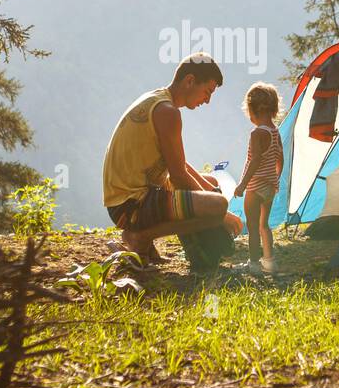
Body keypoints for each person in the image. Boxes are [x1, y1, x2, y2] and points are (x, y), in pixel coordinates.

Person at [102, 52, 239, 265]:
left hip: (127, 198)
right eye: (207, 91)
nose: (208, 100)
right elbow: (179, 177)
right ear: (190, 81)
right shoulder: (167, 112)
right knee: (217, 206)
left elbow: (179, 163)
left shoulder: (158, 100)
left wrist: (209, 191)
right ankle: (141, 237)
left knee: (211, 184)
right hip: (130, 207)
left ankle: (151, 241)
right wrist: (222, 214)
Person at [233, 82, 283, 274]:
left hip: (255, 186)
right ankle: (270, 262)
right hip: (270, 186)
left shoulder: (257, 133)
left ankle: (253, 264)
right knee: (264, 225)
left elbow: (254, 160)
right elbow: (280, 158)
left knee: (252, 226)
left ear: (253, 110)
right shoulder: (275, 131)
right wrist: (275, 178)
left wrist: (242, 185)